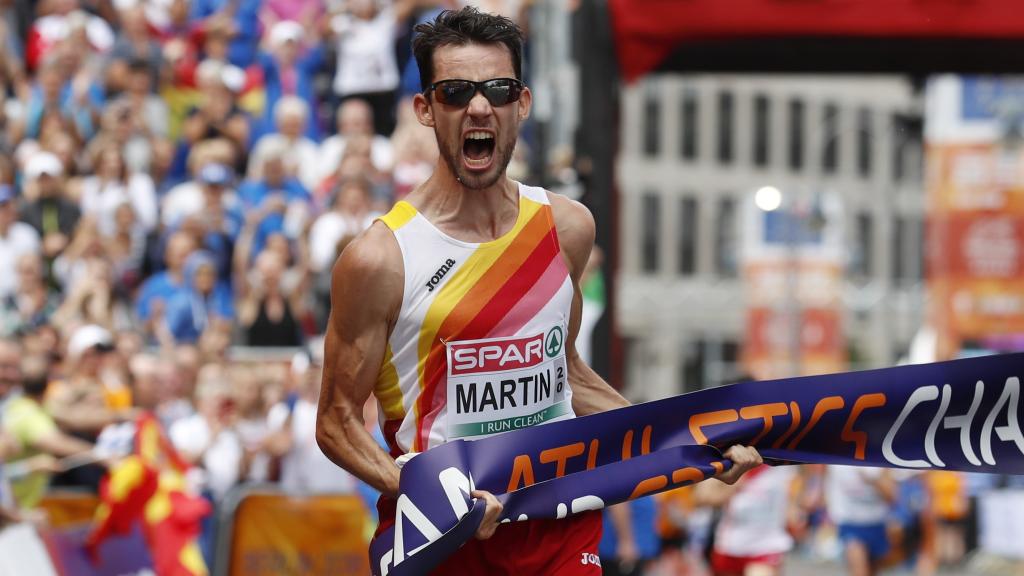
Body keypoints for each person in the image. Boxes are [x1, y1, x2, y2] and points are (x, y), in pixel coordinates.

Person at [314, 8, 763, 574]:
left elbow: (567, 375)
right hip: (446, 539)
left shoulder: (566, 227)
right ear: (426, 109)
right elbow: (335, 421)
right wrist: (423, 490)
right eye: (456, 92)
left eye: (498, 90)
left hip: (558, 523)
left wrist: (689, 443)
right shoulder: (381, 258)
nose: (480, 107)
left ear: (521, 103)